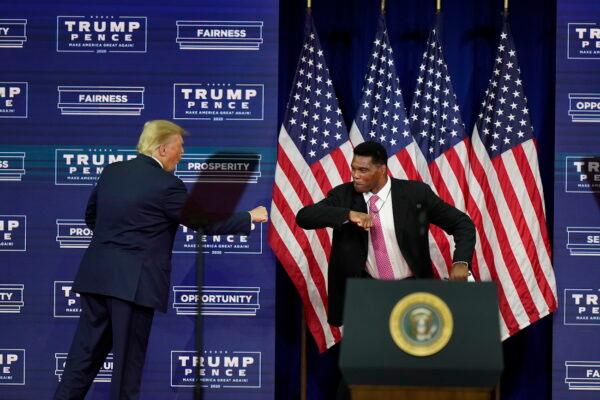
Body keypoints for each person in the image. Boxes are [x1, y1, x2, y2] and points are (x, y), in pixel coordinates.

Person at [54, 120, 268, 400]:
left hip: (96, 280)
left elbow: (91, 217)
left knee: (80, 364)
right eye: (180, 147)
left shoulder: (113, 172)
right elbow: (203, 221)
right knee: (126, 372)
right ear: (163, 148)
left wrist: (119, 244)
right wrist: (248, 217)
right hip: (133, 287)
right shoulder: (167, 185)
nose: (182, 154)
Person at [296, 140, 475, 328]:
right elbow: (304, 217)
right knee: (369, 356)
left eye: (363, 170)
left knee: (414, 354)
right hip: (366, 294)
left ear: (382, 169)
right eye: (353, 169)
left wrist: (461, 261)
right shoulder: (343, 196)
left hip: (412, 291)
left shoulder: (415, 194)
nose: (355, 176)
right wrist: (348, 214)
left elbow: (462, 223)